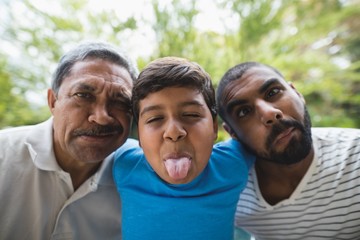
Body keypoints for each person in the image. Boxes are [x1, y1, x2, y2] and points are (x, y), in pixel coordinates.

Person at [0, 41, 138, 239]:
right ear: (53, 101)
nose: (101, 117)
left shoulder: (142, 171)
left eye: (120, 101)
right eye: (83, 95)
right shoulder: (3, 156)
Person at [113, 57, 254, 240]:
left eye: (190, 114)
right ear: (139, 136)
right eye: (155, 119)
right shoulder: (123, 162)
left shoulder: (233, 162)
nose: (173, 132)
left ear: (213, 128)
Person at [216, 61, 360, 240]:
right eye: (244, 112)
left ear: (297, 93)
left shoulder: (356, 153)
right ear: (232, 133)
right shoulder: (227, 189)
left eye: (273, 92)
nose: (269, 113)